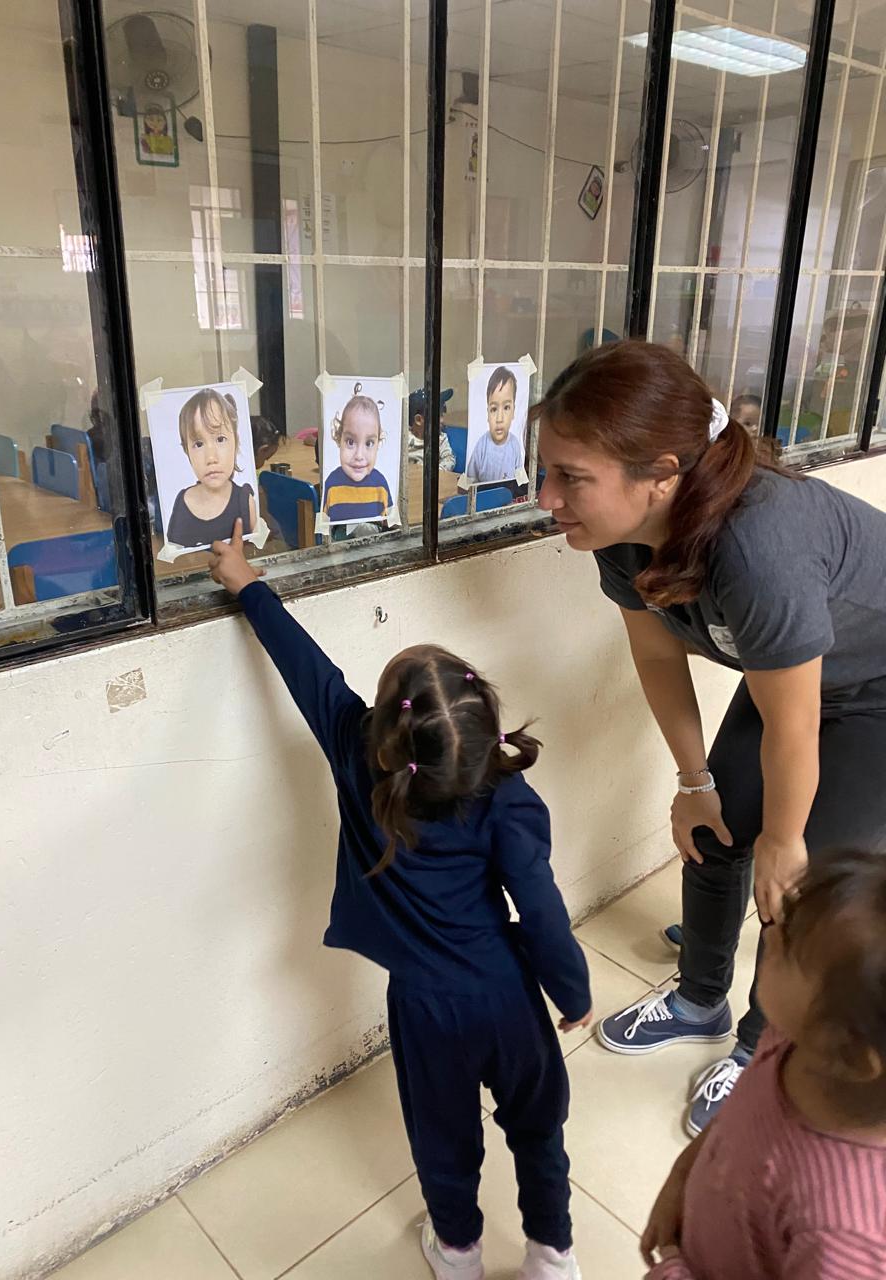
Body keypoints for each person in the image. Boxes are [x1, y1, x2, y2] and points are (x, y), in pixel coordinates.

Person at [207, 524, 592, 1280]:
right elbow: (542, 910)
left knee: (443, 1138)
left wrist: (245, 581)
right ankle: (553, 1255)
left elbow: (305, 668)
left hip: (425, 1007)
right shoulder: (506, 798)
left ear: (386, 731)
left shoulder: (359, 761)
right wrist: (572, 992)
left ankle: (458, 1252)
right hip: (508, 994)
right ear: (484, 727)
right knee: (538, 1130)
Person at [534, 338, 886, 1138]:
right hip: (797, 676)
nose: (547, 497)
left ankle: (763, 1046)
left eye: (571, 478)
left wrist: (785, 840)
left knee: (803, 886)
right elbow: (658, 655)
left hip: (877, 690)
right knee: (714, 827)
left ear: (661, 473)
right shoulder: (620, 537)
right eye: (546, 470)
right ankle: (699, 998)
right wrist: (693, 783)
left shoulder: (759, 546)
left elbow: (795, 723)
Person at [642, 849, 886, 1279]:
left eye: (789, 950)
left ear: (848, 1052)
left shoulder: (844, 1236)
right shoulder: (790, 1040)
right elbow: (738, 1115)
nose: (770, 936)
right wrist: (682, 1176)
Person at [167, 388, 256, 548]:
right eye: (198, 444)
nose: (211, 458)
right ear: (187, 451)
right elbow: (174, 556)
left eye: (220, 439)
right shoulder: (182, 502)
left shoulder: (244, 501)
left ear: (236, 443)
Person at [322, 394, 393, 523]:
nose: (359, 456)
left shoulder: (381, 485)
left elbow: (391, 526)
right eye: (350, 442)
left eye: (369, 443)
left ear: (378, 444)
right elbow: (323, 529)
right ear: (339, 439)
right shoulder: (331, 484)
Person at [466, 366, 525, 483]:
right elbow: (469, 481)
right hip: (484, 494)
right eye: (493, 409)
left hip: (508, 494)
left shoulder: (515, 446)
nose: (499, 418)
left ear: (513, 411)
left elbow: (519, 481)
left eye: (506, 407)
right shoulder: (481, 446)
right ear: (487, 413)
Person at [408, 387, 456, 471]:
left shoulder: (440, 438)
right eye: (438, 415)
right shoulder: (403, 438)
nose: (442, 420)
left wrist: (434, 472)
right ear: (418, 420)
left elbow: (449, 459)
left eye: (442, 414)